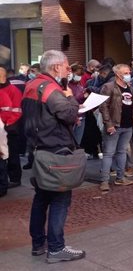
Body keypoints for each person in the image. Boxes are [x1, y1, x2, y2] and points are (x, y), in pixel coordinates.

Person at [22, 50, 85, 263]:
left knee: (41, 198)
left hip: (38, 148)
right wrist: (71, 99)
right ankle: (57, 248)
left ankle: (38, 244)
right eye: (67, 67)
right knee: (60, 198)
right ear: (56, 67)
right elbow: (68, 114)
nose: (69, 71)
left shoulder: (31, 85)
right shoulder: (51, 89)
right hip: (56, 149)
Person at [98, 64, 133, 191]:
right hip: (114, 125)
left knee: (122, 152)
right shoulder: (108, 87)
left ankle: (120, 178)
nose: (128, 75)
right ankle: (104, 181)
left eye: (129, 72)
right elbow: (103, 106)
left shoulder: (130, 87)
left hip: (128, 125)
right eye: (125, 73)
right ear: (118, 74)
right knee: (108, 153)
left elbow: (132, 103)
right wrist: (108, 124)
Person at [0, 65, 23, 188]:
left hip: (10, 128)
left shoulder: (13, 90)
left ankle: (14, 178)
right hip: (4, 127)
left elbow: (16, 111)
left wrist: (5, 123)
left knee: (12, 153)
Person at [67, 64, 86, 145]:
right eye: (77, 75)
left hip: (82, 115)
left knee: (77, 142)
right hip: (72, 116)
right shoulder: (67, 86)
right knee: (70, 142)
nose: (79, 77)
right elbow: (67, 101)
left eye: (81, 75)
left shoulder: (80, 85)